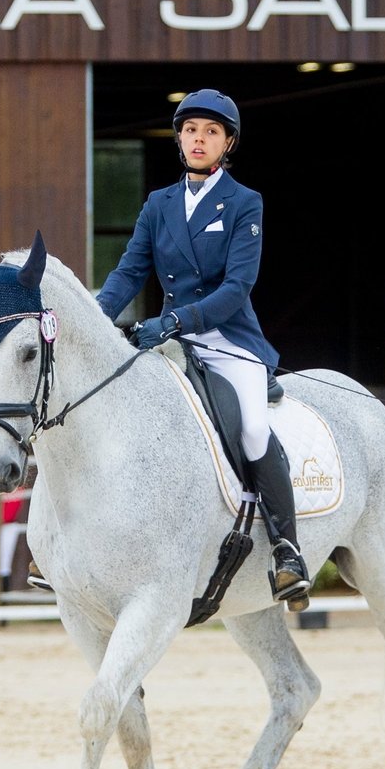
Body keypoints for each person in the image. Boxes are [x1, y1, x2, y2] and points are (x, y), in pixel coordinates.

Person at [93, 88, 311, 605]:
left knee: (255, 428)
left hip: (226, 339)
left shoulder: (243, 202)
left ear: (226, 143)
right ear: (180, 137)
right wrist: (94, 322)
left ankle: (286, 549)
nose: (199, 139)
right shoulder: (158, 204)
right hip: (170, 339)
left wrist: (173, 320)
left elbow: (237, 288)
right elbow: (128, 272)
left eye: (211, 132)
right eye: (191, 130)